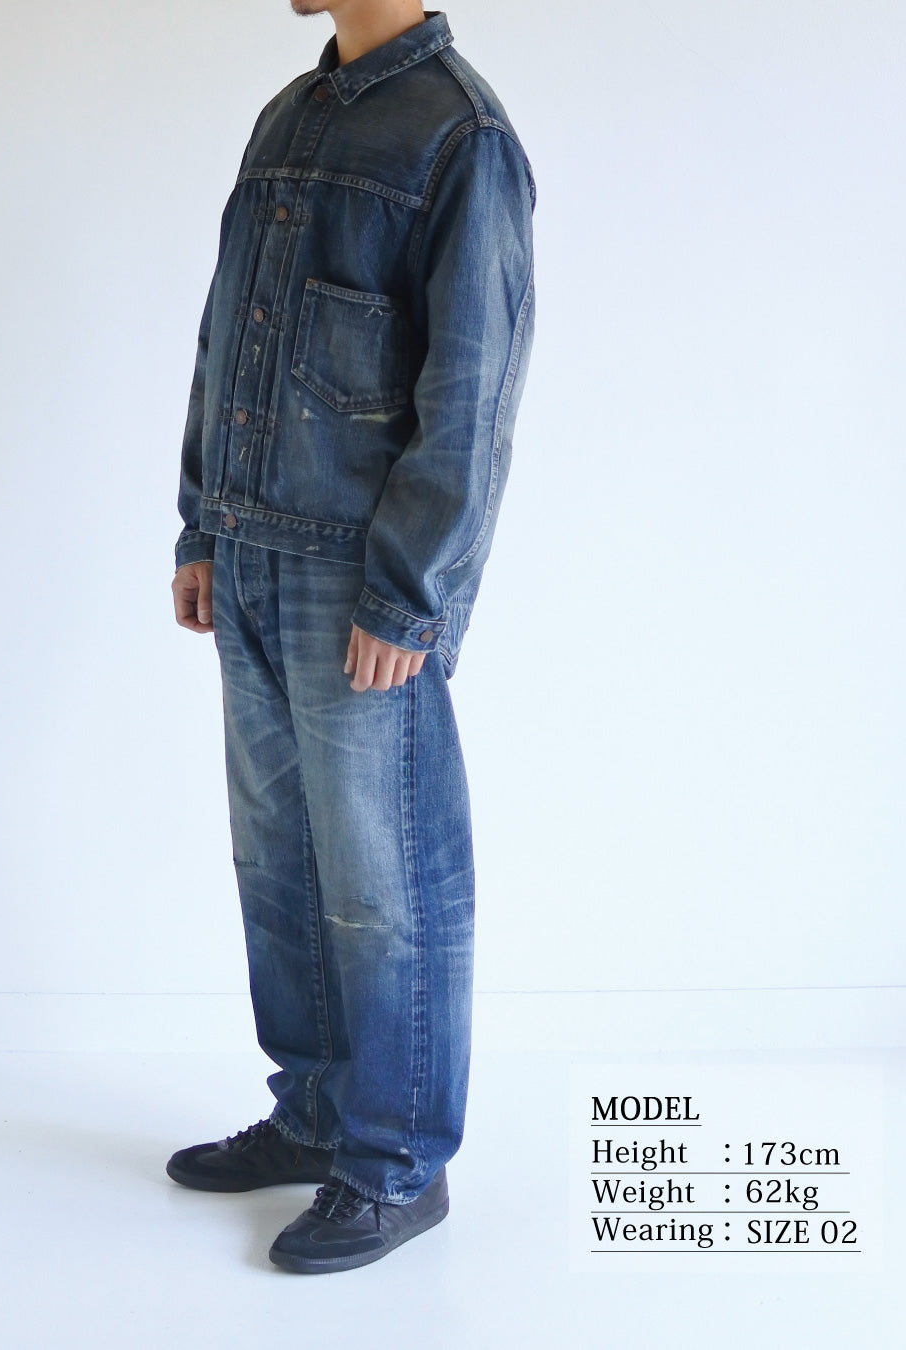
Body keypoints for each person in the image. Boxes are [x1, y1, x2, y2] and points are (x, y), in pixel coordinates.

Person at [166, 0, 536, 1274]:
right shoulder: (290, 115)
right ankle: (315, 1114)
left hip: (355, 580)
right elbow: (226, 333)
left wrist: (408, 593)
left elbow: (473, 391)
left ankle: (397, 1166)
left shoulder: (461, 135)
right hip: (249, 554)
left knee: (387, 886)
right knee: (278, 865)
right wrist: (201, 523)